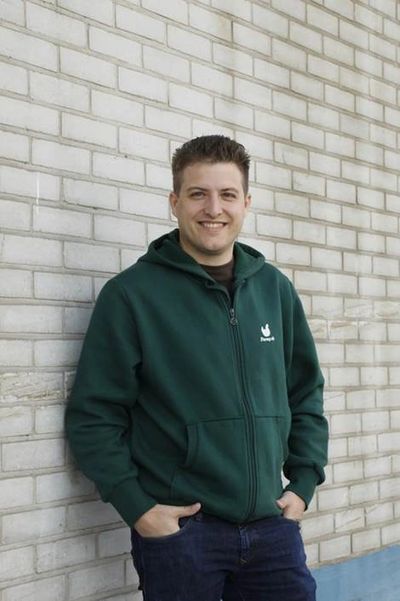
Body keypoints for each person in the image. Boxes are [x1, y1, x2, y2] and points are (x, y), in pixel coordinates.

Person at [65, 135, 328, 601]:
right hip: (184, 533)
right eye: (198, 194)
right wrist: (138, 508)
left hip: (272, 528)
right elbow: (94, 415)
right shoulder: (132, 296)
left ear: (246, 203)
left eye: (227, 194)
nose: (214, 209)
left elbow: (304, 393)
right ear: (175, 202)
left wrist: (303, 482)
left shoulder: (274, 290)